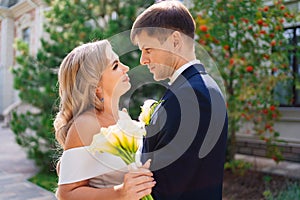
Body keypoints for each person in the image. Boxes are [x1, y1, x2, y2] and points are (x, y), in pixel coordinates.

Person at [130, 1, 228, 199]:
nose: (142, 60)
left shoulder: (192, 96)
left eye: (148, 49)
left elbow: (164, 187)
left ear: (175, 41)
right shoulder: (192, 89)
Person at [53, 40, 155, 200]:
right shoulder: (87, 123)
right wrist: (120, 193)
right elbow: (66, 194)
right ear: (96, 87)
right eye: (115, 66)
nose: (126, 68)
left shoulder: (123, 118)